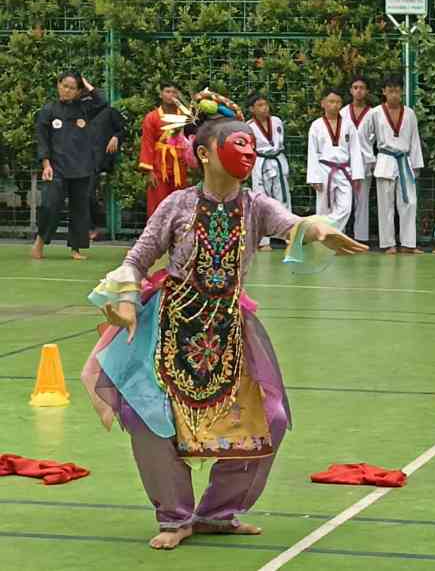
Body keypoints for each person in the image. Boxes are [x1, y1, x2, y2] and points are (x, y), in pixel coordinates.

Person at [79, 92, 367, 550]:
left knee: (269, 418)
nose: (248, 153)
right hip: (170, 327)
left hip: (230, 331)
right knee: (144, 415)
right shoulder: (176, 205)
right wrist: (127, 297)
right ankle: (174, 517)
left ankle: (218, 512)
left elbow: (293, 225)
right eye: (239, 144)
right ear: (205, 153)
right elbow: (137, 259)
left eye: (251, 145)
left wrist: (319, 228)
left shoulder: (256, 206)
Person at [33, 72, 109, 260]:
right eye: (65, 86)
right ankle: (40, 241)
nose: (67, 90)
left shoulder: (85, 108)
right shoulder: (48, 110)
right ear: (58, 85)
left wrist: (86, 84)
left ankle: (76, 248)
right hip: (56, 167)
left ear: (78, 91)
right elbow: (42, 140)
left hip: (82, 167)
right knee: (50, 205)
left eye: (72, 88)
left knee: (80, 209)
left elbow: (103, 103)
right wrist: (46, 164)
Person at [369, 76, 424, 254]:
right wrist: (371, 161)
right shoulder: (375, 113)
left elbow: (415, 140)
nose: (393, 94)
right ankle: (388, 244)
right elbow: (365, 139)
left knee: (410, 202)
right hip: (385, 160)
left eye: (397, 91)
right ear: (384, 92)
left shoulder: (409, 113)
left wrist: (416, 165)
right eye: (390, 91)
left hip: (405, 161)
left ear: (401, 92)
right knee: (385, 205)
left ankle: (408, 243)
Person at [307, 88, 364, 233]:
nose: (335, 105)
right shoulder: (316, 125)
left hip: (344, 170)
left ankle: (324, 232)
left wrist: (357, 174)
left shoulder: (348, 124)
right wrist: (314, 177)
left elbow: (355, 150)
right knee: (323, 208)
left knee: (345, 208)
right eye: (331, 101)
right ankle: (325, 240)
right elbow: (312, 152)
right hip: (323, 169)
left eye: (338, 102)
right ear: (323, 104)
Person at [139, 82, 192, 217]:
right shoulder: (151, 117)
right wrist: (149, 172)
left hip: (179, 164)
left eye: (174, 92)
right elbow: (147, 143)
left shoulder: (186, 116)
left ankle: (178, 234)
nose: (171, 95)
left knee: (180, 201)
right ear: (161, 94)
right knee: (158, 201)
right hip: (159, 165)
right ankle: (157, 235)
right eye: (167, 92)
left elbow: (191, 140)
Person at [247, 93, 291, 250]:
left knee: (283, 198)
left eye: (265, 104)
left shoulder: (277, 121)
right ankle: (263, 241)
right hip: (260, 163)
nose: (264, 108)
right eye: (259, 105)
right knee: (261, 202)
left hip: (277, 161)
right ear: (252, 109)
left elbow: (280, 141)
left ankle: (288, 236)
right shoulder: (249, 127)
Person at [342, 76, 375, 243]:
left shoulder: (374, 113)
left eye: (362, 87)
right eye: (355, 87)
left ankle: (361, 238)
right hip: (345, 163)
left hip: (365, 161)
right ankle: (341, 235)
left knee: (362, 201)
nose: (358, 91)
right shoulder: (342, 112)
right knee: (344, 200)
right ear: (350, 90)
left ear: (367, 91)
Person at [89, 104, 128, 242]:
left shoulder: (108, 111)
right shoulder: (75, 109)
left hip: (96, 161)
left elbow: (123, 129)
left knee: (89, 194)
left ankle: (93, 227)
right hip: (75, 159)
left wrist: (116, 137)